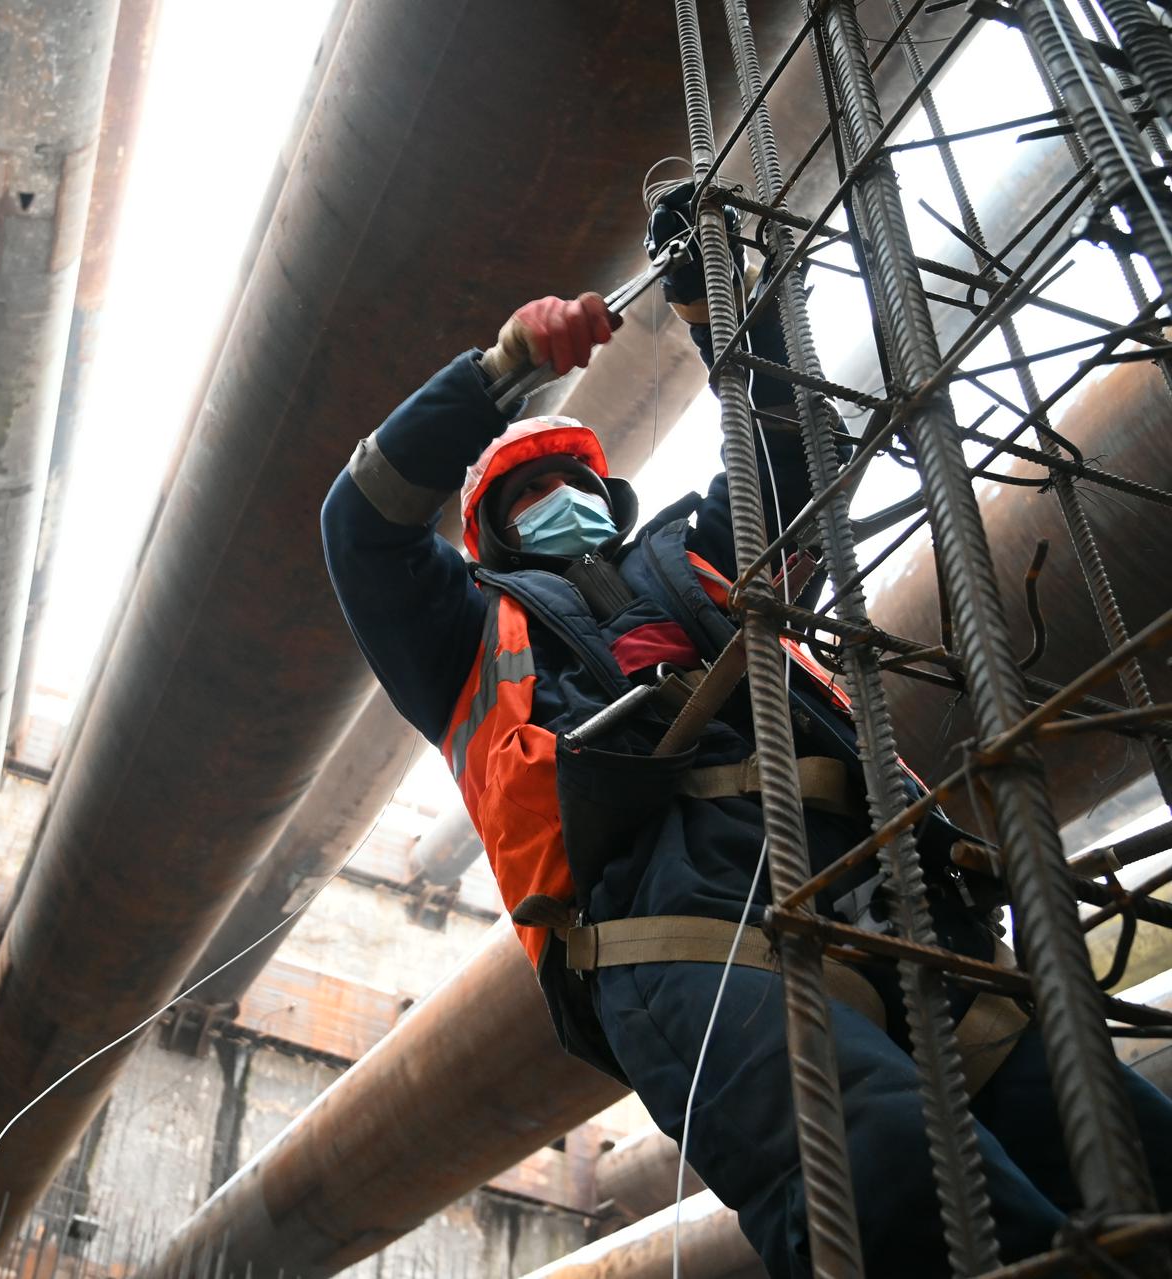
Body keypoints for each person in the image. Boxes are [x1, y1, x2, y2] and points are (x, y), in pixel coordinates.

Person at [319, 185, 1172, 1277]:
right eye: (531, 492)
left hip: (884, 891)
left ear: (610, 495)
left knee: (1124, 1141)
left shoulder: (700, 558)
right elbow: (362, 524)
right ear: (489, 531)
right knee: (882, 1175)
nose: (561, 497)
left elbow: (789, 455)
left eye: (575, 480)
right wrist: (502, 370)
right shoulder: (458, 634)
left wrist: (720, 303)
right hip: (674, 936)